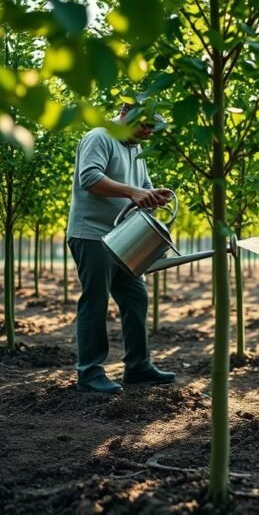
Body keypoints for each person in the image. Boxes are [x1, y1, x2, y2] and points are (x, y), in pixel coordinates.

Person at [66, 102, 175, 394]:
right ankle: (89, 373)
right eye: (145, 124)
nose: (149, 132)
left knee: (137, 299)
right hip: (92, 235)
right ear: (126, 112)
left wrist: (153, 194)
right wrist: (132, 191)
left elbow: (144, 185)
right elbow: (89, 178)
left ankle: (138, 366)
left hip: (123, 237)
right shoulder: (99, 137)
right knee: (95, 301)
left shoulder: (136, 149)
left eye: (153, 128)